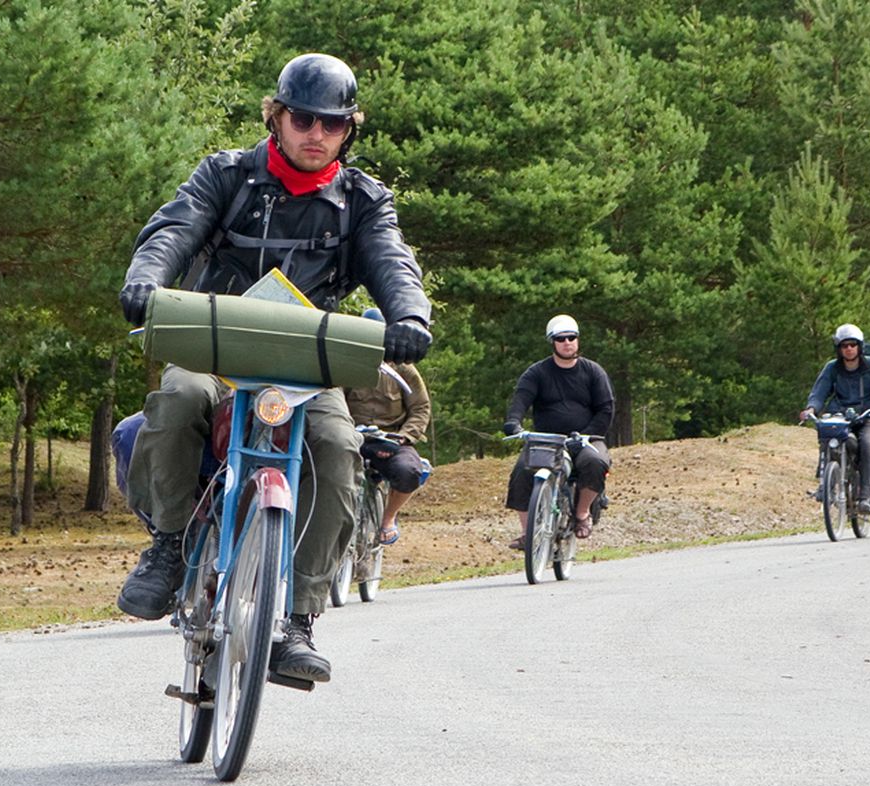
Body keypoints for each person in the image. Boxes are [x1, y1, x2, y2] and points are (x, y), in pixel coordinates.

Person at [115, 53, 432, 685]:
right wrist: (147, 278)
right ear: (277, 116)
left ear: (349, 131)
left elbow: (393, 261)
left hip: (307, 366)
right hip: (215, 348)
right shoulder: (225, 176)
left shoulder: (364, 201)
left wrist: (411, 317)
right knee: (175, 400)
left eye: (333, 123)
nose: (316, 133)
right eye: (304, 118)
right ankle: (170, 548)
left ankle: (298, 618)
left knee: (340, 446)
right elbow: (173, 230)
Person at [501, 314, 614, 547]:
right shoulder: (536, 373)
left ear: (578, 340)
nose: (567, 342)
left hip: (585, 439)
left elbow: (606, 408)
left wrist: (587, 434)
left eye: (571, 337)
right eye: (561, 338)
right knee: (522, 471)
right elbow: (520, 401)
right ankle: (528, 532)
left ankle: (582, 514)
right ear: (552, 341)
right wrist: (514, 423)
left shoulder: (593, 372)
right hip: (547, 440)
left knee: (595, 462)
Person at [345, 308, 432, 545]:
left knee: (409, 472)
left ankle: (388, 518)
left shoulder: (404, 370)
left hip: (392, 439)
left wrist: (404, 437)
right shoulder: (347, 366)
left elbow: (421, 408)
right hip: (353, 437)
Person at [799, 323, 870, 516]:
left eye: (852, 344)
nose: (849, 349)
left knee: (867, 442)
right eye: (844, 346)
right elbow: (819, 392)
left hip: (868, 416)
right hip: (840, 416)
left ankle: (867, 495)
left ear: (860, 346)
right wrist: (811, 408)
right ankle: (825, 485)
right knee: (827, 437)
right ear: (838, 349)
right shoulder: (832, 368)